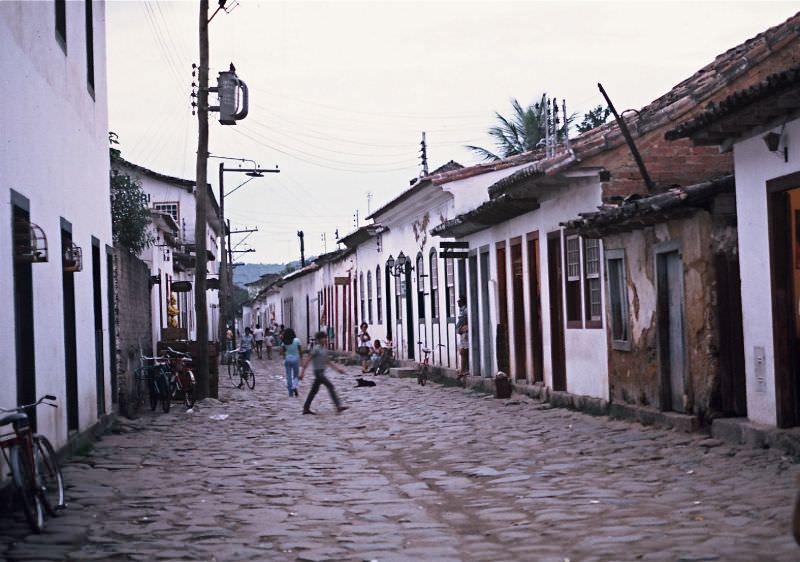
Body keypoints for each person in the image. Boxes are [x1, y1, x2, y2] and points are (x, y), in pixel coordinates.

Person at [300, 330, 348, 415]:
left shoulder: (324, 350)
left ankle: (306, 408)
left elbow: (327, 361)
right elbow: (308, 359)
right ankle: (338, 406)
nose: (325, 339)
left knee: (313, 391)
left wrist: (338, 369)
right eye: (323, 338)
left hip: (321, 372)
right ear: (318, 340)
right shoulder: (316, 349)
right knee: (330, 386)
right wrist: (302, 372)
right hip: (318, 373)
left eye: (325, 338)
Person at [282, 327, 302, 397]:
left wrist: (284, 355)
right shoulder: (297, 340)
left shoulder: (284, 341)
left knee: (288, 376)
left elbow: (282, 352)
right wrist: (301, 359)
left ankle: (290, 393)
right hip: (296, 359)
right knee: (296, 375)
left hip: (287, 359)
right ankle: (294, 387)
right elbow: (300, 350)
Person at [456, 296, 469, 378]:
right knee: (462, 352)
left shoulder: (466, 310)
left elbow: (468, 320)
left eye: (459, 301)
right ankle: (462, 370)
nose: (458, 302)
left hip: (465, 334)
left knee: (463, 352)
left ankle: (463, 370)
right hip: (462, 333)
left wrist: (465, 328)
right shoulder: (462, 310)